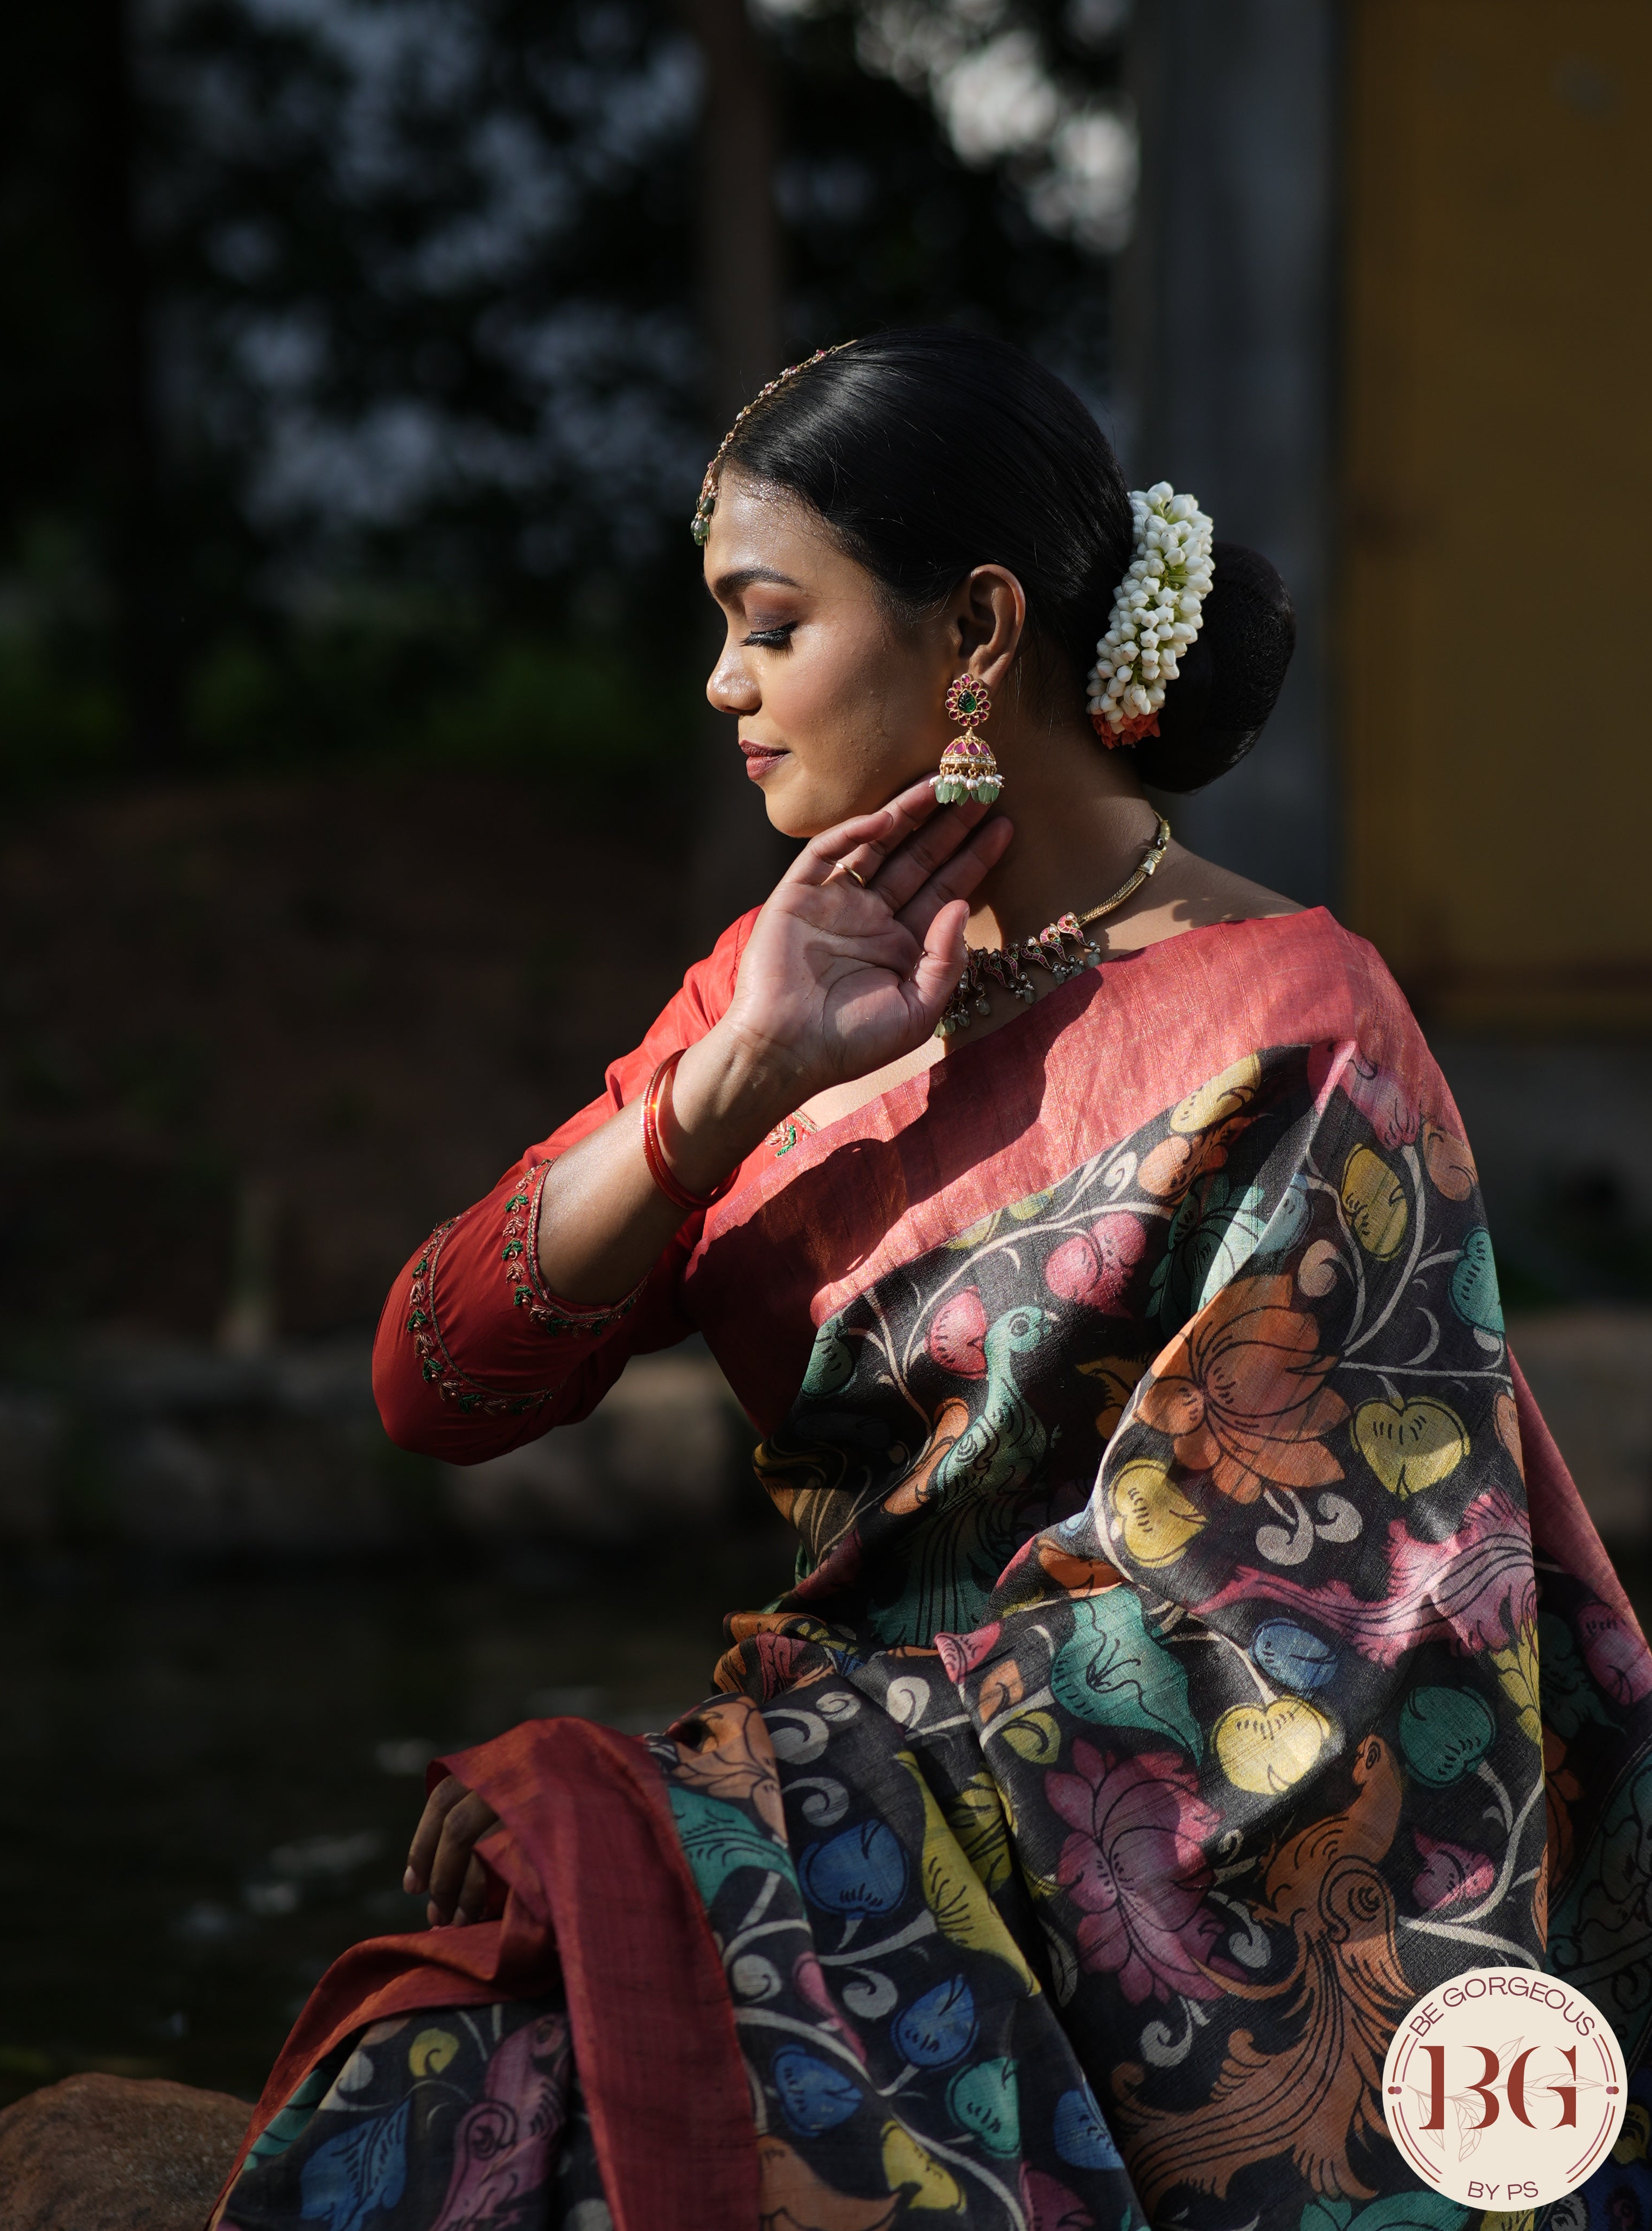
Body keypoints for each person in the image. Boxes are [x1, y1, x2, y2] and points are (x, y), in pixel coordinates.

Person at [215, 330, 1652, 2231]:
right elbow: (441, 1389)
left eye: (769, 621)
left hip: (1171, 1897)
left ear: (975, 631)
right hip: (851, 1849)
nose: (724, 685)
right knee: (421, 2108)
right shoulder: (782, 988)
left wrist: (701, 1800)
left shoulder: (1296, 1031)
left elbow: (1300, 1635)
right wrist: (735, 1082)